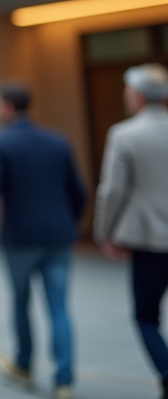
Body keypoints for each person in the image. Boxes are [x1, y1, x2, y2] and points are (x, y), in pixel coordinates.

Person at [0, 81, 86, 398]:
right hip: (58, 237)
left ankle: (24, 364)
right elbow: (78, 191)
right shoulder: (58, 141)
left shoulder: (0, 143)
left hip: (21, 239)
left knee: (21, 303)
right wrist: (69, 223)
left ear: (8, 107)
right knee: (59, 308)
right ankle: (64, 381)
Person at [95, 63, 168, 398]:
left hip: (149, 240)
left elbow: (112, 191)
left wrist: (105, 232)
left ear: (137, 96)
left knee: (145, 316)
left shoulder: (124, 134)